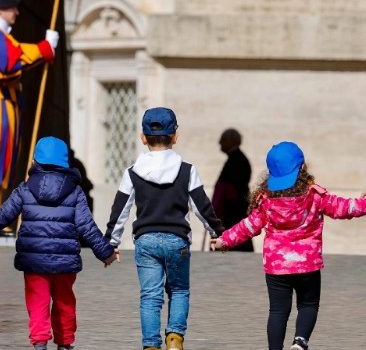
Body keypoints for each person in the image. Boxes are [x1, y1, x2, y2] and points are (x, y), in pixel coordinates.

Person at [0, 136, 118, 350]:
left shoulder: (25, 189)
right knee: (64, 302)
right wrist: (106, 252)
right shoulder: (75, 191)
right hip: (64, 261)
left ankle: (40, 344)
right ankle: (64, 343)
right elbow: (86, 227)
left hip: (33, 260)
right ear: (65, 164)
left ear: (35, 162)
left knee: (37, 303)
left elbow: (1, 217)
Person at [212, 141, 366, 350]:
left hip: (277, 268)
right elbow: (344, 208)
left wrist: (224, 240)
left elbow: (248, 226)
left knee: (277, 311)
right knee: (308, 305)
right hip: (307, 266)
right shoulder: (314, 195)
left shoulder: (266, 200)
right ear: (302, 168)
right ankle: (300, 341)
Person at [104, 107, 225, 350]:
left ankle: (150, 345)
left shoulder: (132, 173)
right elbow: (202, 206)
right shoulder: (187, 170)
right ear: (175, 136)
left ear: (143, 138)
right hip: (177, 240)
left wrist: (111, 243)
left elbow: (120, 211)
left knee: (150, 296)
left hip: (146, 241)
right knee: (179, 290)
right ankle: (175, 339)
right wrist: (218, 234)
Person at [0, 0, 59, 224]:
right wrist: (42, 49)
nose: (17, 13)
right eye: (12, 8)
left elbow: (17, 58)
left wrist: (43, 50)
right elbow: (6, 65)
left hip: (8, 104)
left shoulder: (5, 39)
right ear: (0, 10)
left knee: (6, 159)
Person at [212, 128, 253, 252]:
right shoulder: (236, 159)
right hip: (233, 212)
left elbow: (229, 189)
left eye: (223, 139)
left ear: (232, 141)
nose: (220, 142)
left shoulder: (237, 161)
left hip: (232, 214)